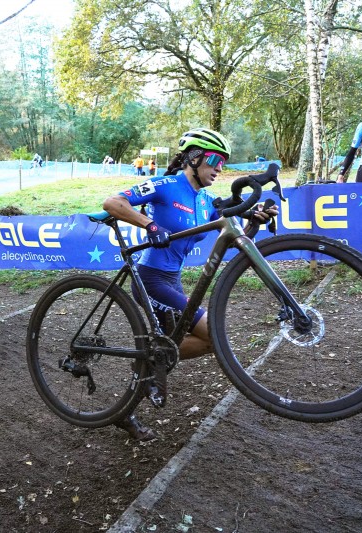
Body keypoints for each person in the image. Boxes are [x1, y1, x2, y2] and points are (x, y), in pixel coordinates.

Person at [102, 128, 278, 440]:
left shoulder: (205, 200)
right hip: (152, 280)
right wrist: (149, 224)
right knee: (212, 335)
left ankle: (132, 396)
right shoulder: (165, 185)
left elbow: (237, 241)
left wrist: (255, 221)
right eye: (214, 160)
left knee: (193, 345)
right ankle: (143, 377)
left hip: (174, 281)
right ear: (194, 158)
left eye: (223, 162)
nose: (219, 168)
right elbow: (112, 202)